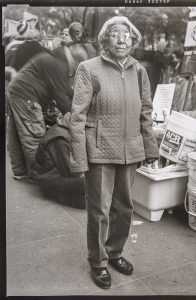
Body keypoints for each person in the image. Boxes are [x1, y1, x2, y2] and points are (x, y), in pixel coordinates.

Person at [69, 16, 159, 289]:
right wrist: (78, 157)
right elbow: (76, 116)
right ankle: (98, 261)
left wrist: (149, 146)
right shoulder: (89, 68)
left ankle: (115, 252)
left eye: (127, 34)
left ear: (133, 41)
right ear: (105, 39)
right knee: (100, 210)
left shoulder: (139, 70)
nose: (122, 38)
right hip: (99, 149)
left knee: (125, 208)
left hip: (130, 150)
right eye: (115, 33)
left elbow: (146, 111)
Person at [7, 43, 87, 181]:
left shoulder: (54, 59)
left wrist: (81, 98)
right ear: (74, 61)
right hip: (27, 95)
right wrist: (76, 118)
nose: (74, 72)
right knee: (34, 136)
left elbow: (65, 89)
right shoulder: (57, 64)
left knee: (16, 133)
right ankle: (39, 175)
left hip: (16, 90)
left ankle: (20, 171)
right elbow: (60, 96)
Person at [31, 112, 85, 209]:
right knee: (89, 184)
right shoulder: (60, 138)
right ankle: (63, 197)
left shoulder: (65, 128)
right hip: (49, 181)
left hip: (57, 176)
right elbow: (69, 171)